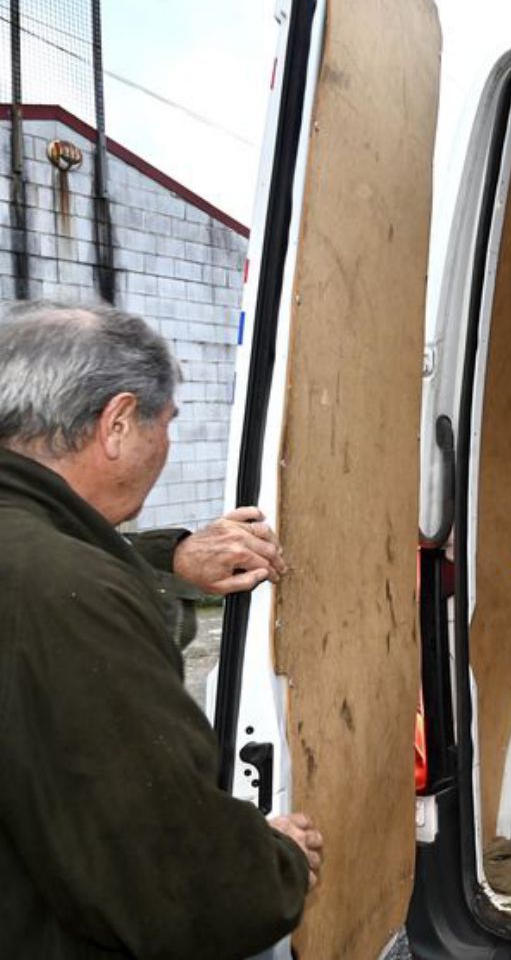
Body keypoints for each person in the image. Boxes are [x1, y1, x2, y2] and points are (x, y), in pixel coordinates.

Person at [0, 300, 322, 958]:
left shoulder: (40, 560)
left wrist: (168, 559)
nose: (167, 444)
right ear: (117, 423)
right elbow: (176, 882)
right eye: (166, 422)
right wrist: (276, 859)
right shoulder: (69, 597)